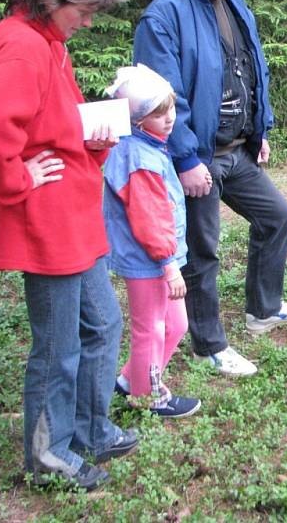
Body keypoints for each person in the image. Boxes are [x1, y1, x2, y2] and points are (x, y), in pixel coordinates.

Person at [0, 0, 138, 491]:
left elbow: (51, 123)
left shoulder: (48, 42)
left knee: (103, 324)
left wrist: (86, 137)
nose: (89, 21)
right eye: (84, 10)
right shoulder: (22, 47)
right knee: (57, 347)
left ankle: (88, 429)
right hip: (47, 226)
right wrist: (20, 178)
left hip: (75, 220)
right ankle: (49, 457)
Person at [133, 0, 287, 377]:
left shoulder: (233, 2)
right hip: (199, 157)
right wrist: (187, 159)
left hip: (238, 149)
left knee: (277, 216)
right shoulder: (163, 17)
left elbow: (252, 67)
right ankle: (209, 344)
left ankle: (263, 310)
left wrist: (260, 127)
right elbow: (164, 97)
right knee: (202, 249)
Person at [103, 65, 201, 418]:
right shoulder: (139, 158)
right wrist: (168, 266)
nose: (169, 119)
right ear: (137, 120)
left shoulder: (150, 146)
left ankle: (132, 380)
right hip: (149, 260)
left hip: (161, 258)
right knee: (151, 328)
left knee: (176, 325)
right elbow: (150, 218)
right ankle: (147, 397)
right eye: (157, 114)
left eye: (171, 109)